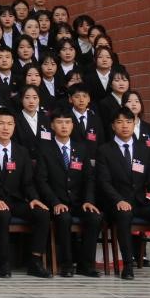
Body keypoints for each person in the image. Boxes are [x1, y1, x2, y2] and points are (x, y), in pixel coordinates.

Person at [97, 107, 150, 280]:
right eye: (120, 122)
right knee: (124, 214)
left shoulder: (143, 150)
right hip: (116, 204)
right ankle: (128, 265)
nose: (124, 126)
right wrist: (118, 200)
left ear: (134, 124)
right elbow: (103, 182)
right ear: (113, 126)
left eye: (128, 122)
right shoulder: (104, 150)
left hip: (140, 203)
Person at [34, 107, 102, 277]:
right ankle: (66, 264)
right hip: (56, 202)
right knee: (63, 218)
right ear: (52, 125)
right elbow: (41, 181)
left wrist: (89, 200)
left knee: (95, 217)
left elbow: (89, 179)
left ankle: (86, 264)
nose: (64, 126)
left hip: (79, 202)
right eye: (59, 122)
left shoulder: (82, 148)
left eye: (67, 122)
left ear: (72, 125)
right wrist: (55, 202)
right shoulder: (44, 149)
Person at [0, 108, 52, 278]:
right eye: (1, 123)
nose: (5, 128)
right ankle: (4, 263)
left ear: (14, 126)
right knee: (3, 215)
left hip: (17, 200)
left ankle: (35, 262)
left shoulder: (22, 152)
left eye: (10, 124)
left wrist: (34, 198)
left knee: (42, 213)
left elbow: (28, 182)